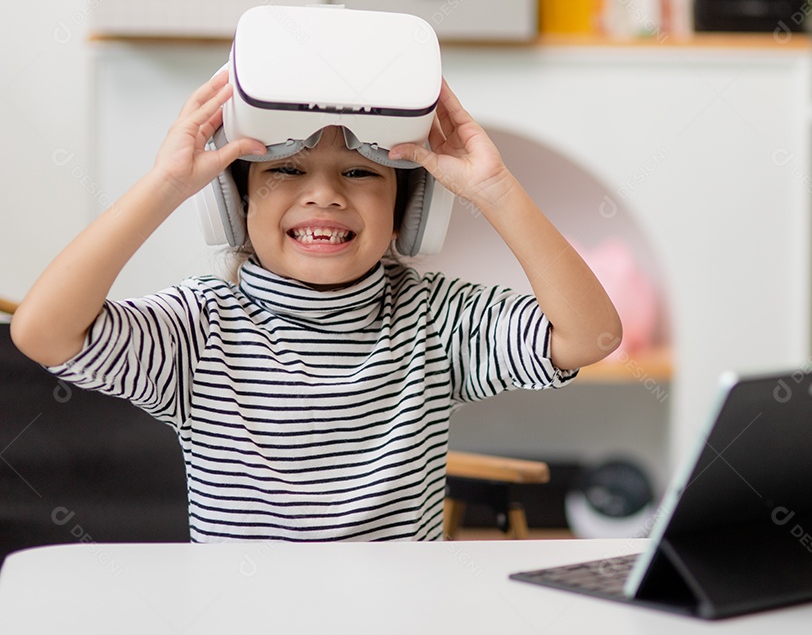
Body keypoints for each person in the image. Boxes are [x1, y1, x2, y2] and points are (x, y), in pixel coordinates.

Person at [11, 69, 622, 542]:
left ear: (406, 215)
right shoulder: (199, 327)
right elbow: (43, 333)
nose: (324, 194)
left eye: (359, 173)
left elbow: (589, 337)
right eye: (288, 169)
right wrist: (167, 184)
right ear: (237, 204)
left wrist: (495, 190)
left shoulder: (437, 318)